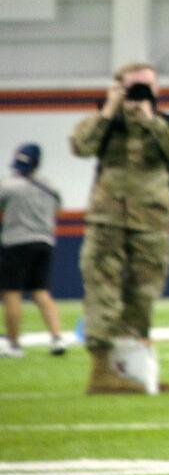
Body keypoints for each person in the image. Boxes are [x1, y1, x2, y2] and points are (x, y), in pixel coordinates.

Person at [70, 62, 169, 394]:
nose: (141, 93)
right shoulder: (104, 124)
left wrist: (151, 121)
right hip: (107, 220)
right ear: (117, 87)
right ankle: (100, 372)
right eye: (133, 87)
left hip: (152, 221)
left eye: (147, 87)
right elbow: (80, 147)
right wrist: (109, 110)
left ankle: (133, 371)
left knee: (144, 294)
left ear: (157, 91)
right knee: (103, 293)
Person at [0, 143, 69, 358]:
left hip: (16, 243)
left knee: (12, 292)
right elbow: (59, 208)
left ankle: (13, 343)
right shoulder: (50, 187)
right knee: (41, 291)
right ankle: (57, 337)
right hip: (44, 242)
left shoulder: (9, 186)